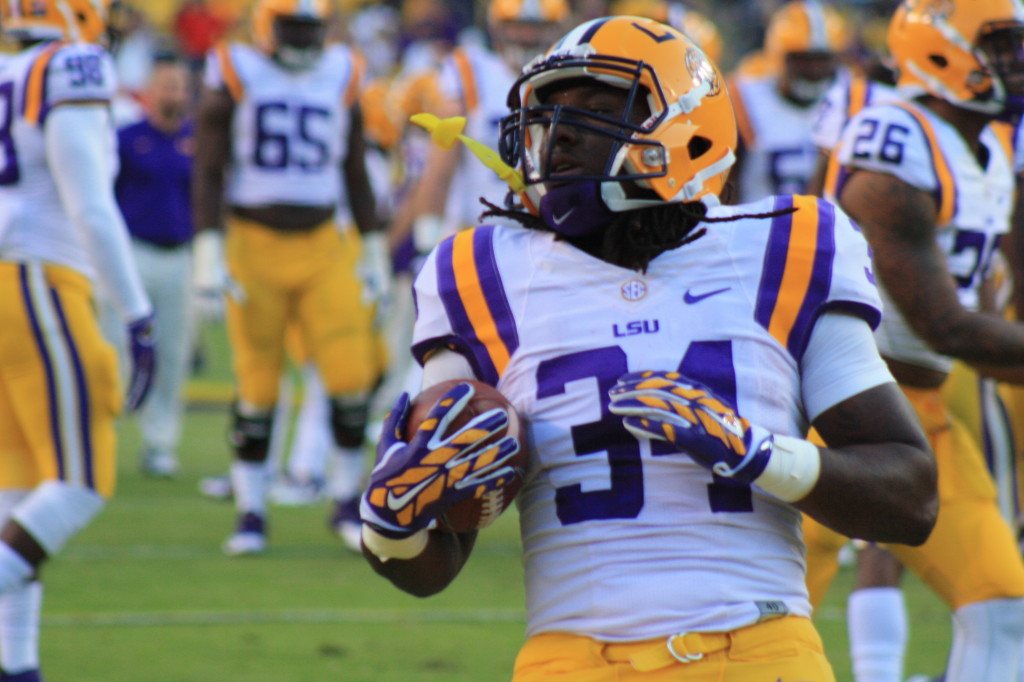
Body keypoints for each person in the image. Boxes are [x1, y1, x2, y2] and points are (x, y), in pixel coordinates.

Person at [359, 15, 937, 681]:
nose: (560, 132)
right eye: (551, 112)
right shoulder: (480, 272)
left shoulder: (785, 245)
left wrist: (756, 454)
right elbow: (436, 560)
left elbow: (910, 497)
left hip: (758, 651)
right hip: (570, 661)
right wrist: (390, 525)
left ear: (690, 128)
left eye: (600, 108)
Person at [815, 0, 1024, 679]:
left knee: (1003, 610)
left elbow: (979, 314)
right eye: (1002, 45)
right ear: (941, 49)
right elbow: (944, 325)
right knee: (764, 613)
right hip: (827, 406)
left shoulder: (990, 148)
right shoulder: (895, 138)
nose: (1017, 61)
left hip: (923, 409)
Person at [192, 0, 382, 555]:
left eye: (309, 28)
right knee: (257, 385)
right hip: (253, 243)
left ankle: (345, 500)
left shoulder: (342, 70)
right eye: (292, 27)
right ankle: (251, 511)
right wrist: (208, 250)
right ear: (265, 25)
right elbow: (208, 166)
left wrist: (372, 248)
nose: (302, 38)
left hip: (325, 242)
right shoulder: (236, 67)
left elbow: (354, 169)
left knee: (350, 376)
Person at [0, 0, 155, 679]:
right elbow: (89, 203)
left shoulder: (10, 69)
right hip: (41, 276)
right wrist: (137, 312)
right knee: (82, 480)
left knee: (17, 493)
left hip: (12, 278)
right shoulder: (70, 65)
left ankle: (17, 666)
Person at [114, 54, 195, 479]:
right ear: (149, 91)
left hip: (179, 255)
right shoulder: (128, 139)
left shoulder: (195, 140)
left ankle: (160, 443)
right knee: (115, 348)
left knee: (172, 354)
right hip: (133, 252)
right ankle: (102, 434)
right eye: (167, 85)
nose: (174, 94)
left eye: (180, 86)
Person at [729, 0, 849, 202]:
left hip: (826, 221)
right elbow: (726, 188)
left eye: (822, 60)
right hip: (758, 220)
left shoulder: (850, 100)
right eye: (803, 60)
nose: (814, 71)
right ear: (778, 58)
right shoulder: (743, 100)